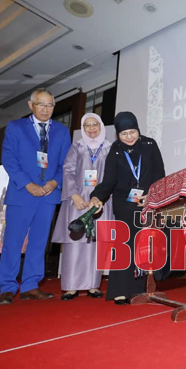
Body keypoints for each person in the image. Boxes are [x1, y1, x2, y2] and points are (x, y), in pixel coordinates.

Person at [0, 88, 71, 305]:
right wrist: (28, 184)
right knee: (13, 242)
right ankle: (8, 287)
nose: (46, 109)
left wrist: (54, 182)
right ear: (31, 105)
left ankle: (30, 285)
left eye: (50, 105)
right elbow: (9, 159)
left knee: (38, 243)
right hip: (22, 193)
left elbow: (66, 163)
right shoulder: (15, 127)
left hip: (48, 195)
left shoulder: (61, 131)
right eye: (41, 104)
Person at [89, 112, 165, 304]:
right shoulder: (115, 150)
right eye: (124, 134)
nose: (129, 137)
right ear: (117, 135)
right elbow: (109, 181)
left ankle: (141, 288)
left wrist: (152, 194)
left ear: (138, 130)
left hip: (148, 200)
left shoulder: (149, 145)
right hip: (124, 202)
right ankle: (120, 290)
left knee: (145, 243)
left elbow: (159, 174)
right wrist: (96, 196)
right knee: (124, 244)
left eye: (132, 132)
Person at [51, 113, 114, 300]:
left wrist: (102, 197)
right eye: (87, 125)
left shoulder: (110, 148)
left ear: (101, 126)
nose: (92, 128)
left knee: (95, 243)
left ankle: (93, 285)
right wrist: (74, 195)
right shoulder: (77, 146)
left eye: (95, 124)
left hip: (100, 201)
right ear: (83, 128)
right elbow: (68, 170)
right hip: (78, 200)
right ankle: (71, 287)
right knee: (75, 242)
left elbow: (112, 176)